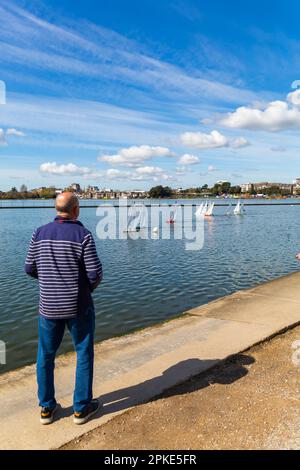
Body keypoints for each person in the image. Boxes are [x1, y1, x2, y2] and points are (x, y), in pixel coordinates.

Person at [25, 192, 103, 425]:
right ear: (76, 209)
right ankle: (81, 409)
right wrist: (85, 290)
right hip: (79, 306)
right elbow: (95, 273)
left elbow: (29, 268)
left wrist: (50, 281)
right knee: (84, 353)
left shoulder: (39, 233)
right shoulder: (83, 235)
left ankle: (47, 409)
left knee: (46, 356)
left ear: (56, 209)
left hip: (48, 307)